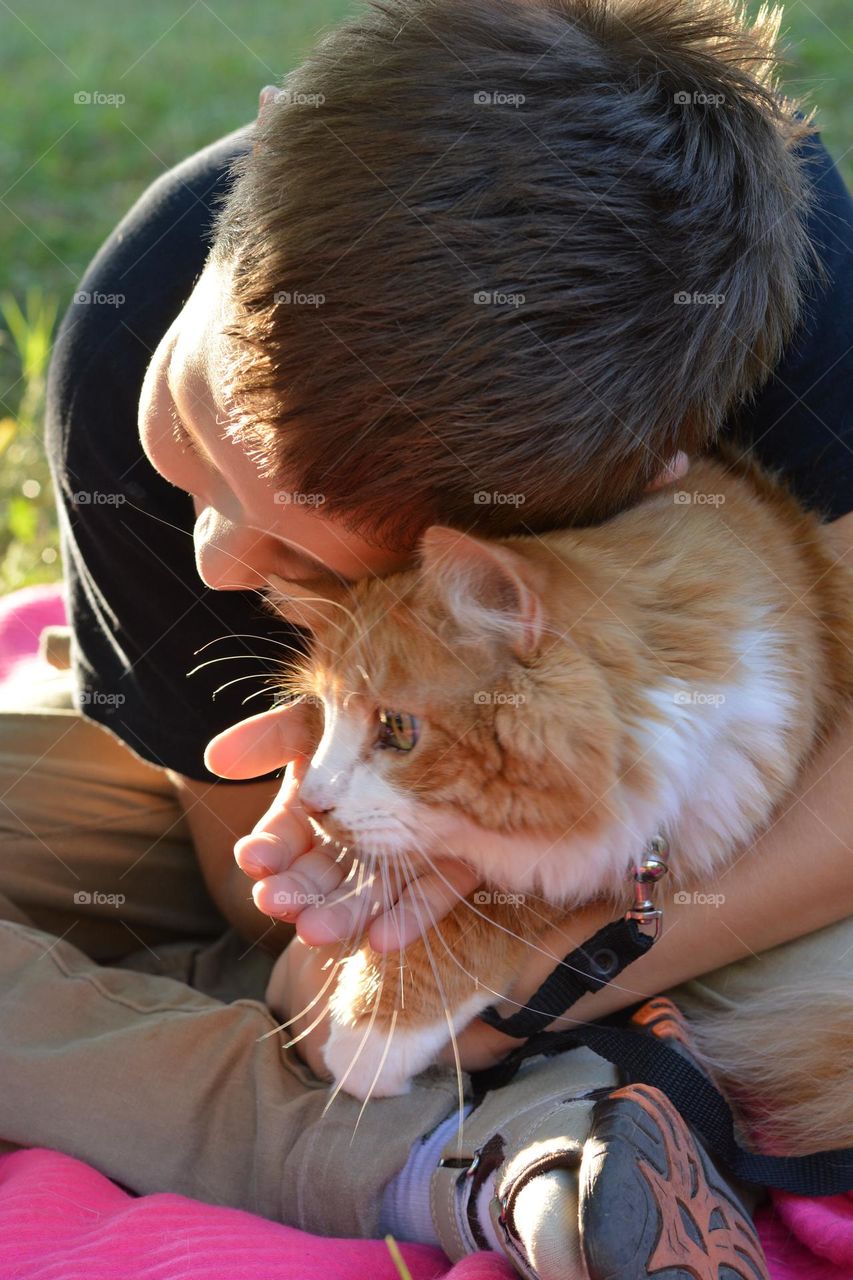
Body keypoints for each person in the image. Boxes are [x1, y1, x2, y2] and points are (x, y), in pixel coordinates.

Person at [1, 1, 851, 1276]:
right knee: (256, 945)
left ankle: (474, 1140)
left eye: (307, 549)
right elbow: (260, 902)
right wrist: (382, 869)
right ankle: (518, 1141)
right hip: (375, 803)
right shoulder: (133, 317)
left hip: (576, 798)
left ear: (613, 488)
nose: (217, 558)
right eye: (198, 429)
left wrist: (527, 965)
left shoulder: (780, 298)